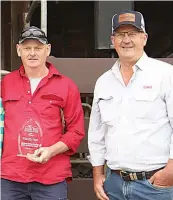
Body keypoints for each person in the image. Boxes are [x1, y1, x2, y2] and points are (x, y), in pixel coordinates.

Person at [88, 10, 173, 200]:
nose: (126, 40)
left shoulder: (166, 75)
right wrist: (98, 174)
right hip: (114, 184)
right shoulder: (104, 82)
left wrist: (171, 171)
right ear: (113, 40)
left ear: (144, 38)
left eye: (132, 34)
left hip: (155, 185)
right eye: (120, 34)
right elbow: (97, 133)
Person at [1, 26, 85, 200]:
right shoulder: (6, 83)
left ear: (48, 50)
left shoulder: (66, 86)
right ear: (18, 50)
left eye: (38, 48)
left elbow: (76, 132)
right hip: (10, 177)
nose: (32, 53)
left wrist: (52, 151)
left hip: (50, 178)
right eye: (27, 48)